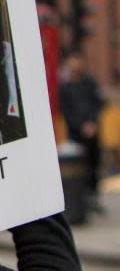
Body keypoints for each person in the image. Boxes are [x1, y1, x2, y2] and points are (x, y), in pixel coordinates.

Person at [58, 51, 105, 213]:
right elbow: (66, 111)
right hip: (76, 134)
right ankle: (80, 200)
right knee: (78, 168)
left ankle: (93, 197)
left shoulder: (90, 83)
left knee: (94, 164)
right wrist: (81, 125)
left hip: (93, 133)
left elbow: (98, 104)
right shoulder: (65, 87)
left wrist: (92, 123)